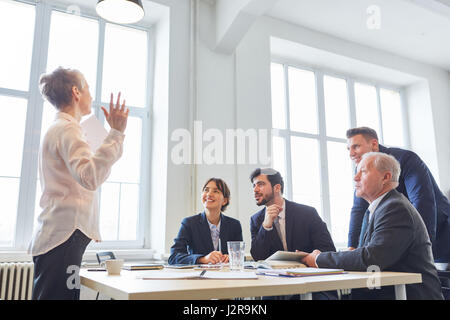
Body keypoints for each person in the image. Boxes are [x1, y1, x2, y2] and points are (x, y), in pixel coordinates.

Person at [28, 67, 129, 300]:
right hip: (64, 235)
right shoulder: (68, 129)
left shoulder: (68, 128)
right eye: (88, 88)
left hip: (61, 234)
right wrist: (115, 133)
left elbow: (97, 169)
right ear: (76, 92)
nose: (91, 96)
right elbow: (90, 176)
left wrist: (114, 134)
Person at [301, 152, 443, 300]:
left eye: (362, 172)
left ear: (386, 177)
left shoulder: (394, 208)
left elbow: (372, 258)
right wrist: (352, 253)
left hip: (409, 294)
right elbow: (371, 254)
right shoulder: (379, 208)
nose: (355, 178)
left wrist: (318, 259)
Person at [346, 127, 450, 264]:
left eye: (356, 146)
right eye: (349, 149)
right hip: (403, 236)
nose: (351, 153)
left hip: (440, 231)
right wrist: (352, 247)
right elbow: (359, 209)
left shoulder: (405, 159)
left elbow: (421, 199)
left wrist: (422, 242)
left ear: (374, 144)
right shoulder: (362, 170)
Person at [250, 168, 337, 300]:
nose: (255, 189)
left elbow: (328, 249)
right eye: (254, 185)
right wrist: (266, 226)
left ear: (277, 187)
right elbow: (258, 256)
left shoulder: (308, 213)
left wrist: (309, 257)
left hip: (312, 283)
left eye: (260, 184)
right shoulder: (256, 220)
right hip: (276, 287)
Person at [169, 178, 243, 265]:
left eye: (216, 191)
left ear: (224, 201)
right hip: (199, 276)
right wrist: (203, 259)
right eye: (206, 190)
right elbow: (174, 257)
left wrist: (232, 257)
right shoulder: (189, 223)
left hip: (225, 276)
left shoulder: (234, 225)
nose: (209, 194)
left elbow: (240, 256)